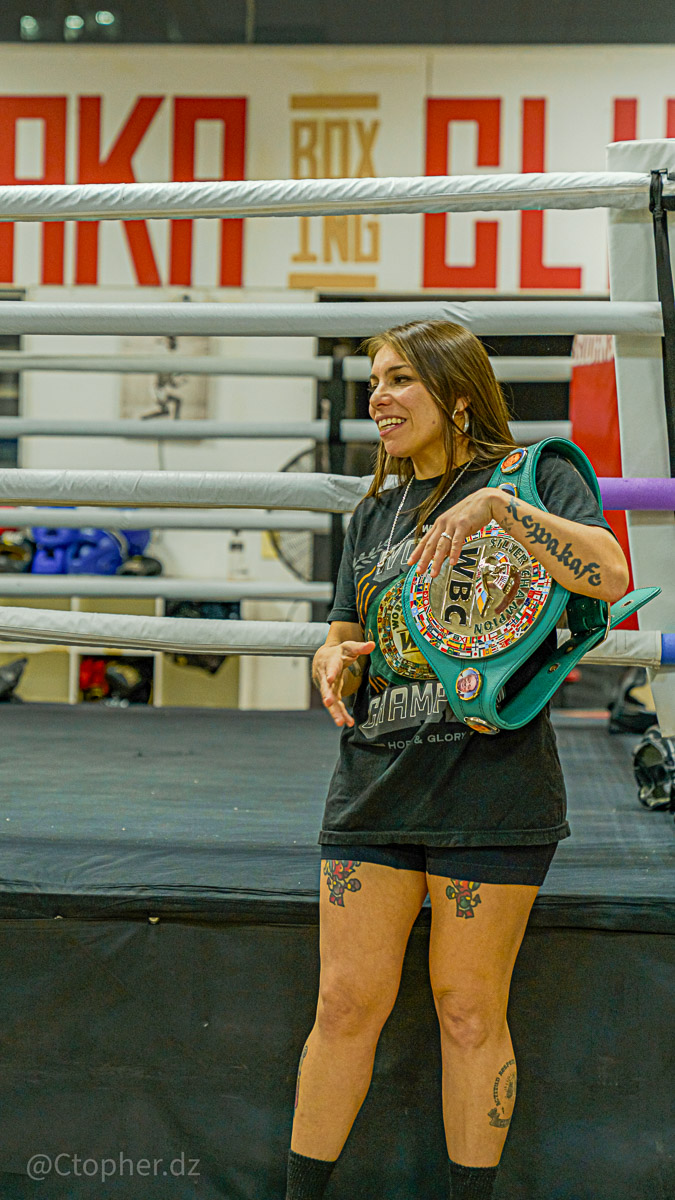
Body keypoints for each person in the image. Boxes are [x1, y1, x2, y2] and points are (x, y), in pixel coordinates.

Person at [285, 320, 629, 1200]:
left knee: (468, 1012)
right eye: (374, 381)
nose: (379, 397)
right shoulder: (373, 513)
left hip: (491, 784)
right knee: (342, 1006)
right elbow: (344, 631)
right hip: (374, 782)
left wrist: (500, 511)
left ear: (458, 393)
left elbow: (608, 574)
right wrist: (330, 658)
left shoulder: (532, 476)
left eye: (400, 378)